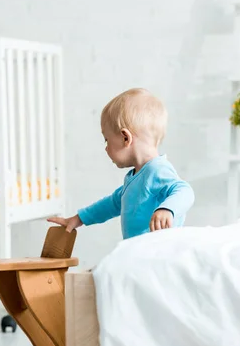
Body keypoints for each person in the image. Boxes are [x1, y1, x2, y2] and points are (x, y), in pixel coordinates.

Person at [48, 88, 195, 240]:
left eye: (107, 140)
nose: (106, 147)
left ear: (126, 138)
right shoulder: (135, 178)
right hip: (139, 252)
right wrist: (79, 219)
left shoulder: (156, 170)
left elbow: (185, 191)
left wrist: (167, 209)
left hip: (159, 252)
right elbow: (111, 204)